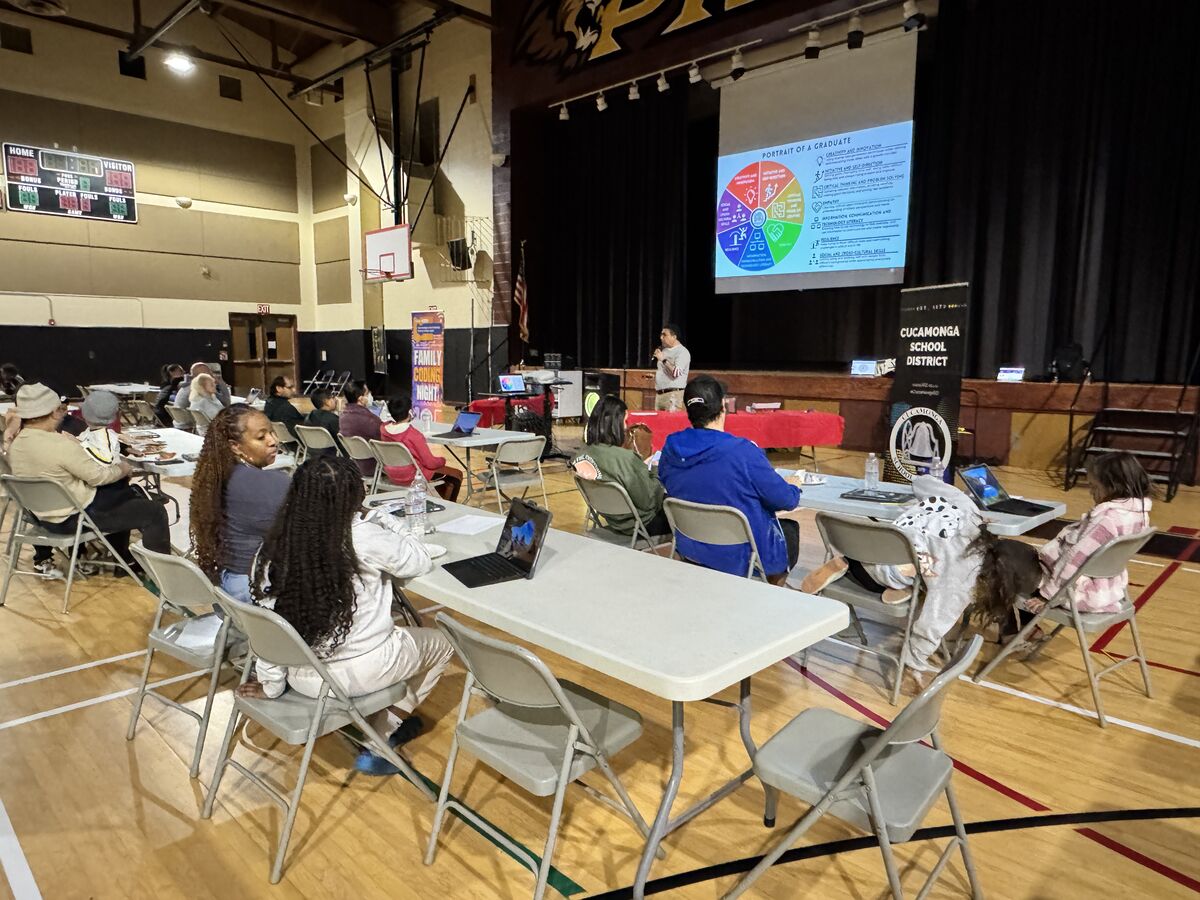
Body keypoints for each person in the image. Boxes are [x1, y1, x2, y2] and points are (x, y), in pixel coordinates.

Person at [237, 456, 455, 775]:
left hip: (302, 673)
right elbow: (418, 560)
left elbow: (270, 627)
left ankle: (378, 719)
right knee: (444, 643)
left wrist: (270, 683)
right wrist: (384, 519)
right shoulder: (363, 535)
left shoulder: (273, 545)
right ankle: (382, 736)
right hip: (359, 672)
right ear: (355, 497)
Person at [802, 474, 1041, 670]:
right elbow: (931, 626)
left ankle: (854, 564)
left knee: (924, 567)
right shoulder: (962, 580)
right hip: (876, 574)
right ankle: (897, 582)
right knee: (928, 581)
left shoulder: (969, 509)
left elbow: (922, 482)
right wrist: (913, 663)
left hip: (863, 544)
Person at [983, 452, 1153, 644]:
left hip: (1074, 589)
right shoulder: (1139, 514)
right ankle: (1027, 627)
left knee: (994, 556)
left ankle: (1010, 630)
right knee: (1010, 551)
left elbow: (1074, 561)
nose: (1091, 492)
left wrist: (1050, 596)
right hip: (1106, 587)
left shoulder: (1106, 521)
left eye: (1094, 487)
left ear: (1113, 486)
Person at [7, 383, 169, 578]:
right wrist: (123, 468)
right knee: (153, 511)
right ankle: (163, 575)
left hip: (41, 517)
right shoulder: (59, 444)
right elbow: (98, 476)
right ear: (56, 412)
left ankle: (123, 559)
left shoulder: (17, 445)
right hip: (74, 518)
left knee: (124, 497)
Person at [658, 376, 802, 583]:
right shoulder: (743, 452)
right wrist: (794, 486)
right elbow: (786, 500)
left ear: (688, 411)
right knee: (789, 530)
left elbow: (666, 480)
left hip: (690, 545)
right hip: (739, 554)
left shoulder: (670, 447)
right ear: (723, 407)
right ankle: (770, 595)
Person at [190, 406, 288, 603]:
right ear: (235, 446)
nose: (273, 441)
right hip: (255, 589)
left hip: (227, 585)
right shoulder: (270, 482)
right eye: (261, 438)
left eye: (272, 432)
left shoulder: (216, 476)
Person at [571, 394, 668, 537]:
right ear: (616, 424)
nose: (626, 426)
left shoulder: (580, 455)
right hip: (642, 525)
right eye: (624, 421)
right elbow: (650, 502)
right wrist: (654, 468)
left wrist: (639, 467)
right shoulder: (626, 458)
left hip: (613, 519)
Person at [378, 394, 463, 501]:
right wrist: (442, 460)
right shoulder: (413, 435)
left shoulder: (383, 430)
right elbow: (430, 463)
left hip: (392, 474)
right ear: (410, 412)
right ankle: (446, 507)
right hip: (413, 477)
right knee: (455, 476)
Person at [338, 379, 382, 478]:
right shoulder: (371, 420)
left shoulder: (342, 416)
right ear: (361, 399)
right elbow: (384, 442)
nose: (370, 395)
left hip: (354, 465)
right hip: (374, 467)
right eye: (367, 393)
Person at [78, 391, 123, 463]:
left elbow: (106, 460)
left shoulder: (104, 435)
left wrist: (80, 444)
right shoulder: (90, 431)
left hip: (107, 472)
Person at [653, 324, 690, 410]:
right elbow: (664, 371)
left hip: (673, 396)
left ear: (674, 336)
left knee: (672, 422)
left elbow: (676, 373)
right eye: (661, 335)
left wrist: (663, 359)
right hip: (659, 395)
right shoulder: (664, 350)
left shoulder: (682, 352)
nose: (661, 338)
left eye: (664, 335)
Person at [263, 375, 304, 439]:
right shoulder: (287, 408)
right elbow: (301, 430)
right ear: (278, 388)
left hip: (279, 442)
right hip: (294, 442)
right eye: (290, 387)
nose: (294, 390)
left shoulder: (269, 403)